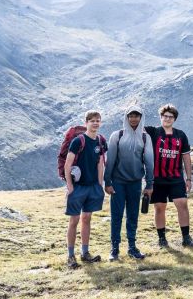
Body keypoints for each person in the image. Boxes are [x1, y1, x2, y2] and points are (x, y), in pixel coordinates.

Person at [104, 105, 154, 261]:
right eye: (130, 116)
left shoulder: (145, 137)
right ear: (126, 118)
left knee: (133, 215)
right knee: (116, 216)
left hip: (135, 183)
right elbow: (110, 160)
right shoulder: (117, 135)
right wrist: (107, 182)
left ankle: (132, 247)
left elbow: (149, 162)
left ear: (141, 118)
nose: (133, 118)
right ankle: (115, 249)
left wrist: (150, 184)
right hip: (118, 183)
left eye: (136, 116)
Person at [144, 104, 193, 248]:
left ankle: (186, 238)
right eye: (165, 116)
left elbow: (186, 157)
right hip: (157, 178)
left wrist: (189, 178)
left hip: (176, 177)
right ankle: (162, 239)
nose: (167, 119)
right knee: (160, 207)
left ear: (174, 119)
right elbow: (136, 123)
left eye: (170, 117)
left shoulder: (180, 135)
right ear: (161, 117)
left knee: (182, 204)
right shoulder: (153, 132)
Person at [63, 110, 107, 268]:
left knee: (87, 218)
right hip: (78, 188)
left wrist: (99, 185)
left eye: (98, 120)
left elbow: (100, 163)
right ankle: (70, 255)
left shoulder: (101, 141)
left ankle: (85, 252)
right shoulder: (78, 141)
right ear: (86, 122)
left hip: (92, 186)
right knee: (74, 220)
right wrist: (70, 187)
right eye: (92, 120)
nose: (95, 123)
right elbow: (68, 165)